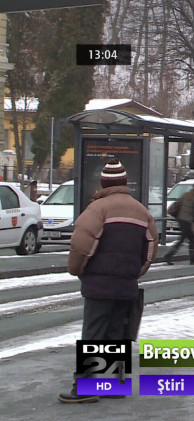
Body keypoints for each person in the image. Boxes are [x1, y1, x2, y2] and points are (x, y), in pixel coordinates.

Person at [59, 158, 158, 403]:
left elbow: (81, 247)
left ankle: (84, 388)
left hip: (98, 285)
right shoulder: (142, 211)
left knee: (93, 335)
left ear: (103, 183)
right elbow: (150, 249)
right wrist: (134, 272)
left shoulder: (97, 209)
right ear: (125, 183)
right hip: (126, 286)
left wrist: (77, 270)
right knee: (116, 334)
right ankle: (112, 385)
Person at [164, 180, 194, 265]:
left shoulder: (186, 195)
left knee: (184, 239)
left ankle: (171, 256)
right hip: (187, 220)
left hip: (181, 219)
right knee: (190, 239)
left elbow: (178, 204)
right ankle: (189, 258)